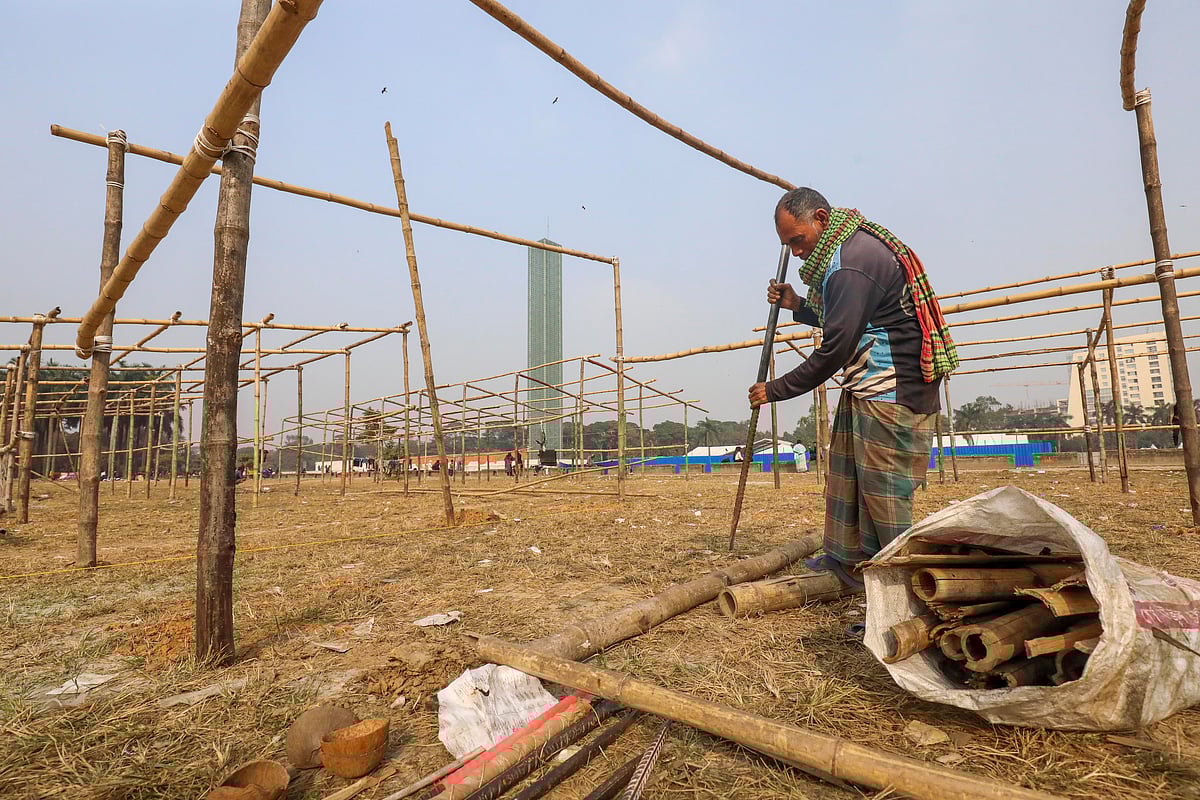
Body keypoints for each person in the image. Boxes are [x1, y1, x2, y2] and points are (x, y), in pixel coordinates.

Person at [748, 187, 958, 596]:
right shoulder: (846, 251)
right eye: (787, 244)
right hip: (869, 385)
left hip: (893, 390)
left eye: (797, 240)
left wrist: (775, 389)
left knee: (884, 494)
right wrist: (797, 305)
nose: (795, 252)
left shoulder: (850, 264)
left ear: (821, 220)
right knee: (849, 477)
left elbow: (836, 347)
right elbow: (848, 316)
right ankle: (849, 564)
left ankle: (899, 592)